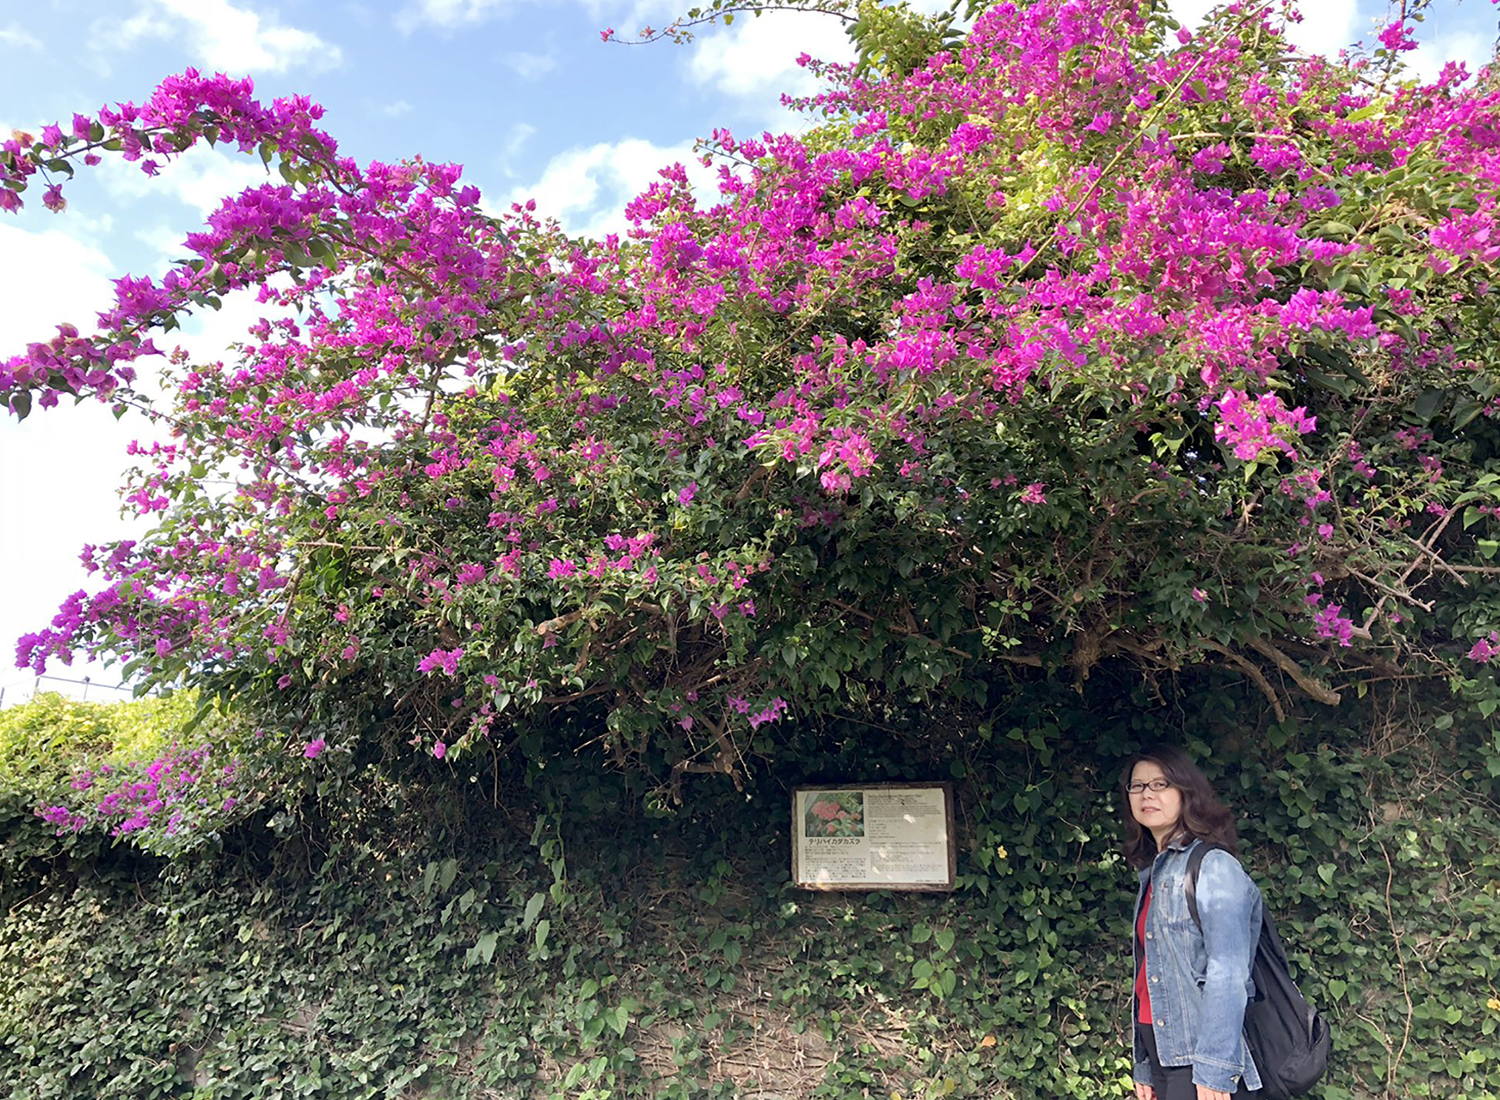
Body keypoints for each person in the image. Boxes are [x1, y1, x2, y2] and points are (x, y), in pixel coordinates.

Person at [1123, 746, 1263, 1100]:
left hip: (1199, 1054)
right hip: (1160, 1048)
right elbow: (1148, 975)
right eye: (1137, 786)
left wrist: (1215, 1068)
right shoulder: (1153, 871)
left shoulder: (1213, 866)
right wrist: (1143, 1062)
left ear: (1186, 793)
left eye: (1160, 784)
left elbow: (1228, 972)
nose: (1147, 794)